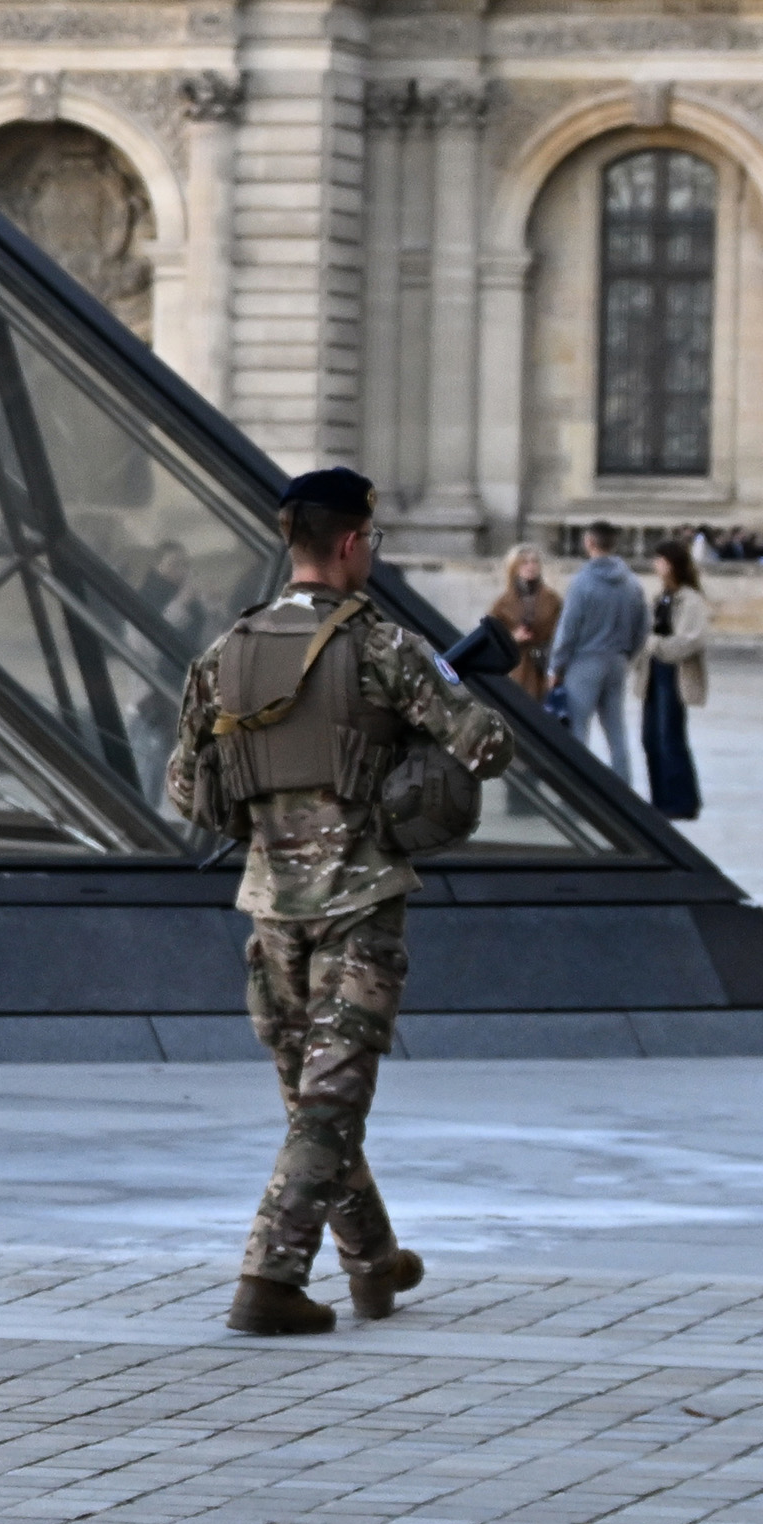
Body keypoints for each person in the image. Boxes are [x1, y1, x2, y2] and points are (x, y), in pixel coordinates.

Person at [170, 468, 514, 1336]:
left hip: (269, 909)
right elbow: (488, 746)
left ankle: (373, 1265)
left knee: (315, 1100)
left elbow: (186, 787)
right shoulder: (384, 648)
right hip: (359, 904)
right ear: (353, 543)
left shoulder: (227, 654)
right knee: (329, 1105)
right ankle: (268, 1279)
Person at [548, 521, 647, 780]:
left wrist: (556, 667)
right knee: (616, 730)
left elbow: (568, 630)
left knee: (578, 729)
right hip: (617, 661)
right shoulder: (632, 583)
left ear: (589, 543)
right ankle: (624, 787)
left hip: (585, 661)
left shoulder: (582, 583)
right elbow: (642, 628)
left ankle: (577, 787)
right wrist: (627, 656)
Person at [640, 537, 712, 820]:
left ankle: (682, 801)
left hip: (675, 672)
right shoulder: (662, 597)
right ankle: (660, 798)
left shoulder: (690, 600)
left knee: (670, 737)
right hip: (653, 671)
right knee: (650, 737)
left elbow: (689, 640)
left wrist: (654, 645)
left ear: (671, 565)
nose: (656, 565)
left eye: (660, 560)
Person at [491, 544, 559, 706]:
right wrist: (512, 637)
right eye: (525, 563)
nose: (531, 567)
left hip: (544, 667)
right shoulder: (503, 603)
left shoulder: (552, 599)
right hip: (517, 668)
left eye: (534, 562)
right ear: (514, 568)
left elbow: (564, 631)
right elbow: (491, 636)